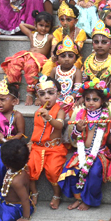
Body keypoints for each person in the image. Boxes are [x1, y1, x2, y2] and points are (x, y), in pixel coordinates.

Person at [59, 79, 111, 211]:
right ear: (83, 100)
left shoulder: (105, 116)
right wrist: (78, 128)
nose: (91, 102)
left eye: (95, 100)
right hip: (82, 151)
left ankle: (89, 200)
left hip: (99, 152)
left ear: (102, 101)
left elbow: (110, 141)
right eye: (88, 99)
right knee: (72, 170)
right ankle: (78, 198)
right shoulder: (80, 114)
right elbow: (73, 137)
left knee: (94, 172)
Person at [27, 76, 67, 209]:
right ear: (38, 97)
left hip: (54, 148)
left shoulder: (60, 111)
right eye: (42, 94)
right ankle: (34, 192)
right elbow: (36, 130)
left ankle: (57, 195)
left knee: (53, 170)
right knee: (29, 167)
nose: (47, 97)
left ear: (58, 94)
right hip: (37, 147)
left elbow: (59, 126)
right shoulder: (38, 112)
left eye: (51, 93)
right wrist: (29, 143)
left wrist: (49, 117)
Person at [1, 11, 53, 105]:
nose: (43, 28)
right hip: (28, 55)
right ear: (35, 24)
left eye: (47, 26)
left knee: (30, 65)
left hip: (39, 58)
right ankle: (14, 90)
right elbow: (21, 25)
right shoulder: (32, 34)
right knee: (14, 63)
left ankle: (29, 93)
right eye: (41, 25)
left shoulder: (50, 37)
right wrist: (35, 27)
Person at [0, 79, 25, 189]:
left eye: (2, 100)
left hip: (12, 147)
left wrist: (11, 140)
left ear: (14, 102)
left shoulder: (17, 116)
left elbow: (21, 133)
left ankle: (9, 187)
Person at [0, 139, 33, 221]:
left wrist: (25, 218)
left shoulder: (16, 181)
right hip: (5, 200)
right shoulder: (21, 167)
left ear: (5, 163)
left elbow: (25, 199)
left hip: (14, 207)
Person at [42, 0, 87, 75]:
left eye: (69, 20)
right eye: (62, 20)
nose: (65, 23)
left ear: (76, 21)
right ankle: (47, 84)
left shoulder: (80, 32)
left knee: (74, 65)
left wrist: (67, 36)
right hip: (59, 58)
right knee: (49, 64)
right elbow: (53, 50)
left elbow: (77, 51)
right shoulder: (57, 32)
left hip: (74, 59)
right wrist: (54, 57)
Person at [83, 20, 111, 95]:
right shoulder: (88, 61)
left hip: (106, 97)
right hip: (89, 98)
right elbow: (84, 84)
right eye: (96, 42)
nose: (99, 45)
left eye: (104, 42)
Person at [49, 36, 82, 112]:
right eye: (63, 56)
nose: (67, 59)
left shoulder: (77, 72)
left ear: (76, 59)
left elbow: (77, 89)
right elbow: (50, 86)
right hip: (56, 99)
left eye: (70, 56)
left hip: (70, 100)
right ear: (57, 58)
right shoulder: (54, 70)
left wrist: (68, 100)